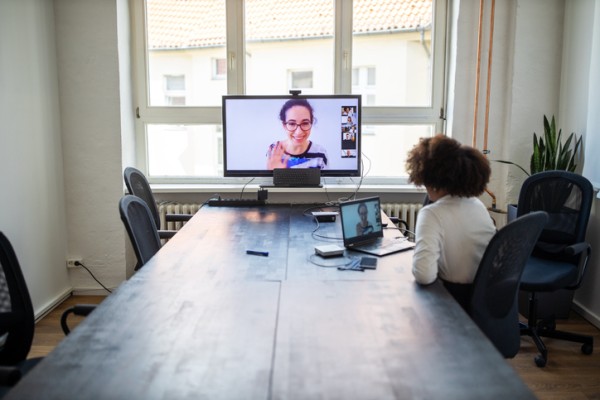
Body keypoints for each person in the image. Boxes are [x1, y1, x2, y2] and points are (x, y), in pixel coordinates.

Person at [405, 134, 496, 310]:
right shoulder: (477, 205)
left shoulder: (432, 213)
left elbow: (424, 275)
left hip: (454, 301)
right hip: (486, 298)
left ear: (432, 180)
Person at [266, 99, 328, 169]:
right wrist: (273, 172)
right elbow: (269, 179)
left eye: (305, 123)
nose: (299, 132)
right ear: (284, 125)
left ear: (311, 123)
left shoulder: (320, 153)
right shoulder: (274, 149)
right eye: (292, 124)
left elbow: (323, 179)